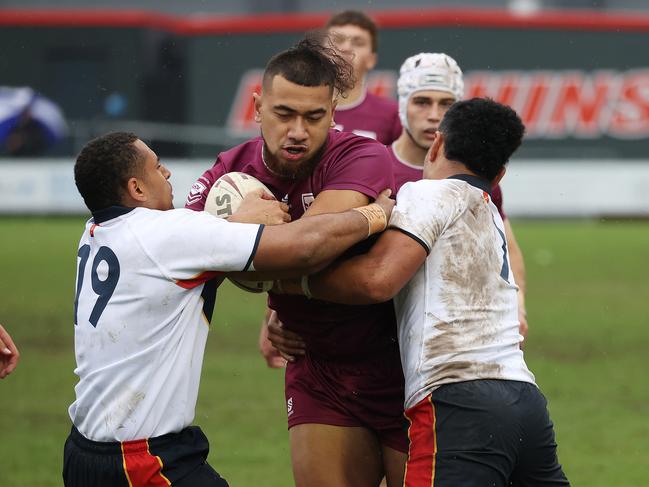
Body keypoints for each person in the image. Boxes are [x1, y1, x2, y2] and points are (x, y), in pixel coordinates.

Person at [65, 131, 395, 487]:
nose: (168, 173)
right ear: (137, 189)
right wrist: (375, 214)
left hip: (83, 449)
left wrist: (233, 224)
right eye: (157, 167)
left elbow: (180, 260)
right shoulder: (166, 233)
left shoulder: (96, 233)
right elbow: (305, 246)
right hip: (142, 459)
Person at [277, 98, 570, 486]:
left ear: (436, 145)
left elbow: (377, 280)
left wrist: (291, 280)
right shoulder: (490, 212)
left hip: (457, 399)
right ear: (498, 175)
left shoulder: (428, 193)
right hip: (524, 402)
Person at [185, 39, 407, 487]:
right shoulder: (232, 169)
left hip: (400, 365)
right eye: (284, 114)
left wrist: (237, 249)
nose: (298, 131)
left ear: (333, 112)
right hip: (315, 366)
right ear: (257, 107)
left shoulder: (363, 156)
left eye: (314, 116)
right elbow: (186, 251)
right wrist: (237, 239)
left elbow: (309, 247)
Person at [391, 52, 529, 340]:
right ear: (403, 105)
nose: (434, 114)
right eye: (421, 101)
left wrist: (518, 304)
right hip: (378, 332)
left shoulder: (476, 174)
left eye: (446, 103)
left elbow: (507, 245)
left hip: (449, 339)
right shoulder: (371, 166)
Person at [325, 10, 402, 144]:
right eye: (337, 40)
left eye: (358, 42)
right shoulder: (299, 107)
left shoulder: (393, 115)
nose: (346, 48)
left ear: (371, 59)